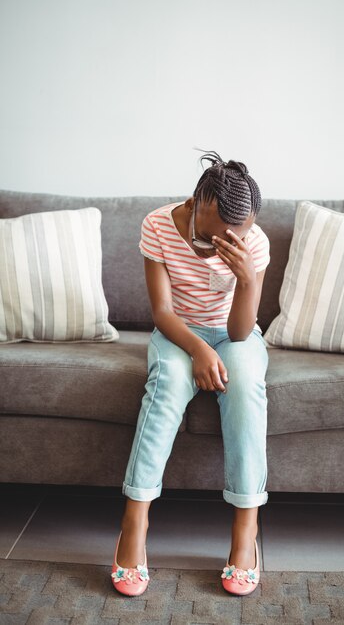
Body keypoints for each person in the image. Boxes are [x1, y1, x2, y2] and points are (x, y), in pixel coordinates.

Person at [111, 149, 270, 597]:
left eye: (235, 237)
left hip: (234, 335)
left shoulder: (254, 241)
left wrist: (249, 281)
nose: (224, 245)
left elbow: (240, 333)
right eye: (215, 236)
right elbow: (161, 311)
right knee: (167, 387)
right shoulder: (158, 224)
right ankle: (133, 526)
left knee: (244, 387)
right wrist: (198, 349)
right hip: (178, 332)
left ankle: (245, 534)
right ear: (199, 202)